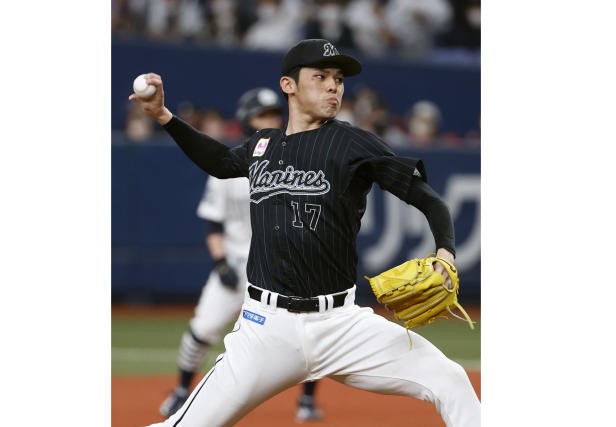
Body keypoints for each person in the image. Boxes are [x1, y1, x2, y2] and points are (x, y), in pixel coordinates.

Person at [129, 38, 481, 427]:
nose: (333, 86)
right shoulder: (264, 144)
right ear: (289, 85)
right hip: (265, 329)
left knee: (450, 380)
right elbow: (219, 161)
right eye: (321, 76)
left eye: (338, 79)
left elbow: (428, 199)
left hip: (343, 326)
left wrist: (446, 251)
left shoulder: (353, 143)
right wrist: (163, 115)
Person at [158, 87, 323, 422]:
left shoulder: (294, 164)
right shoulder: (227, 166)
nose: (270, 120)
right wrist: (220, 262)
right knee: (201, 330)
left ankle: (306, 400)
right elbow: (213, 223)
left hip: (279, 269)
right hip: (235, 265)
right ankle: (181, 389)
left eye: (274, 114)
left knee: (310, 332)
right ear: (247, 119)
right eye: (262, 114)